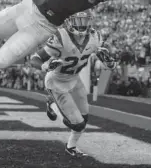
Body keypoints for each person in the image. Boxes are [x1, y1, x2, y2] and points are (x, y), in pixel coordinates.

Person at [30, 11, 116, 157]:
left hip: (75, 79)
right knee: (77, 124)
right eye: (78, 21)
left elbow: (110, 64)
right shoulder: (60, 37)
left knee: (84, 118)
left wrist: (109, 62)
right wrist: (44, 67)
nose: (81, 26)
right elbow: (35, 59)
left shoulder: (95, 37)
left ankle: (71, 147)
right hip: (56, 81)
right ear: (69, 22)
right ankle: (52, 104)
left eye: (84, 21)